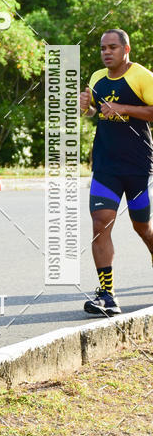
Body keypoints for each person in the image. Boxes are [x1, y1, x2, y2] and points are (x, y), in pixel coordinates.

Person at [80, 29, 153, 315]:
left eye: (112, 47)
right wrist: (85, 108)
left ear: (126, 49)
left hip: (137, 166)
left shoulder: (143, 77)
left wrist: (124, 107)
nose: (106, 52)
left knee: (142, 227)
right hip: (105, 165)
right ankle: (107, 295)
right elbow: (95, 112)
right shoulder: (97, 78)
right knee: (100, 225)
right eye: (102, 48)